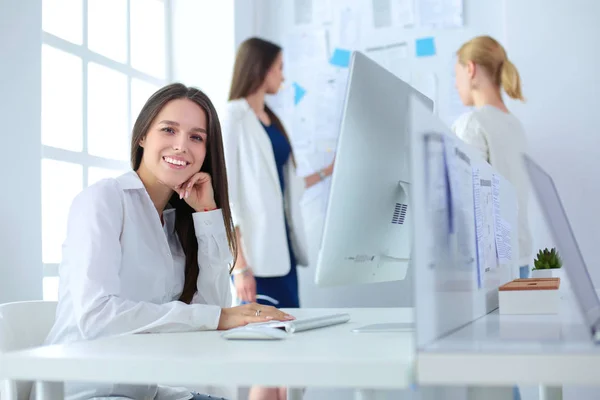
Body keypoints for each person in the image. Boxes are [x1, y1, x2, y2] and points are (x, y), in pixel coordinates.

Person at [41, 83, 294, 400]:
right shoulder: (104, 199)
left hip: (144, 390)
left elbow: (212, 308)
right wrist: (216, 318)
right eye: (169, 130)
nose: (181, 146)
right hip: (86, 390)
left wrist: (208, 216)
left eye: (196, 137)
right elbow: (97, 317)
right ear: (143, 136)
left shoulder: (175, 224)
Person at [221, 37, 334, 400]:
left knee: (288, 359)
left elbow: (288, 187)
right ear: (261, 67)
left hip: (283, 257)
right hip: (257, 261)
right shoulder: (235, 116)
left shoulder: (272, 119)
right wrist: (240, 265)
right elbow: (229, 193)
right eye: (280, 67)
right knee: (267, 363)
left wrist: (328, 172)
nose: (283, 76)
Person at [452, 35, 532, 400]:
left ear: (470, 70)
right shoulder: (514, 125)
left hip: (487, 270)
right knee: (504, 372)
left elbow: (461, 203)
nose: (457, 84)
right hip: (519, 264)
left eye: (456, 73)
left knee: (488, 380)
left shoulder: (473, 123)